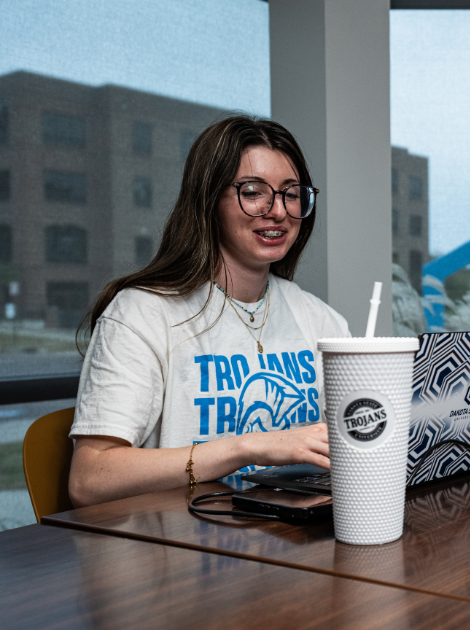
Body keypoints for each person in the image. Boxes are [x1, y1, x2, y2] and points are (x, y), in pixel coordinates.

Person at [69, 116, 350, 507]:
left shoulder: (321, 320)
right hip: (182, 538)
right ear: (209, 200)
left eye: (291, 193)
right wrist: (248, 447)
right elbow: (89, 480)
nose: (278, 211)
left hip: (297, 533)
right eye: (252, 192)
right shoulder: (142, 313)